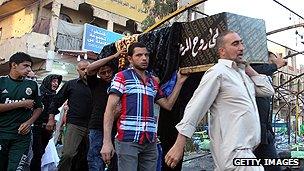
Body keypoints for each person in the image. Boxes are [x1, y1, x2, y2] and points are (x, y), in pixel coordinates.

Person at [164, 30, 275, 171]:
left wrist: (247, 67)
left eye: (241, 43)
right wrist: (179, 144)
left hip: (247, 152)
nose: (241, 48)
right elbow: (196, 107)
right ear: (222, 51)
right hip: (233, 152)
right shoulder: (218, 72)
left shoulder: (242, 76)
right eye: (235, 44)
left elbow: (267, 91)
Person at [100, 42, 188, 171]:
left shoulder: (152, 82)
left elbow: (168, 105)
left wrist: (179, 82)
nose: (144, 58)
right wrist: (106, 142)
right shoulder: (122, 77)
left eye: (146, 55)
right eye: (139, 55)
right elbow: (109, 109)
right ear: (130, 59)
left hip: (150, 141)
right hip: (128, 139)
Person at [0, 52, 43, 171]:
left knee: (16, 169)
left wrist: (29, 123)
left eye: (30, 66)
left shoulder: (32, 84)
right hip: (2, 133)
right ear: (14, 65)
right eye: (25, 66)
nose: (29, 69)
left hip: (22, 137)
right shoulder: (1, 82)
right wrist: (21, 103)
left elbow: (39, 107)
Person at [49, 60, 92, 171]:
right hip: (75, 124)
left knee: (89, 157)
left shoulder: (98, 85)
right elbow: (56, 101)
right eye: (83, 69)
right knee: (68, 154)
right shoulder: (71, 84)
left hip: (94, 126)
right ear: (77, 71)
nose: (86, 71)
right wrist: (51, 118)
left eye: (88, 68)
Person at [86, 50, 123, 171]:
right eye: (103, 73)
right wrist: (113, 56)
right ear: (99, 74)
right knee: (96, 158)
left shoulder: (119, 82)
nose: (107, 74)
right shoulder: (95, 83)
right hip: (97, 126)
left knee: (116, 159)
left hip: (117, 126)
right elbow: (90, 68)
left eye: (109, 71)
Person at [251, 51, 287, 171]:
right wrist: (275, 65)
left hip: (265, 134)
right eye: (270, 62)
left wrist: (269, 131)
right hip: (254, 133)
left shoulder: (264, 85)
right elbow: (258, 69)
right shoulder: (252, 74)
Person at [30, 74, 62, 171]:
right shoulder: (39, 94)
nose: (55, 84)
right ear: (48, 82)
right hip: (36, 127)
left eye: (57, 82)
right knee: (37, 153)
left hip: (48, 130)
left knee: (41, 152)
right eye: (53, 81)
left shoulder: (55, 96)